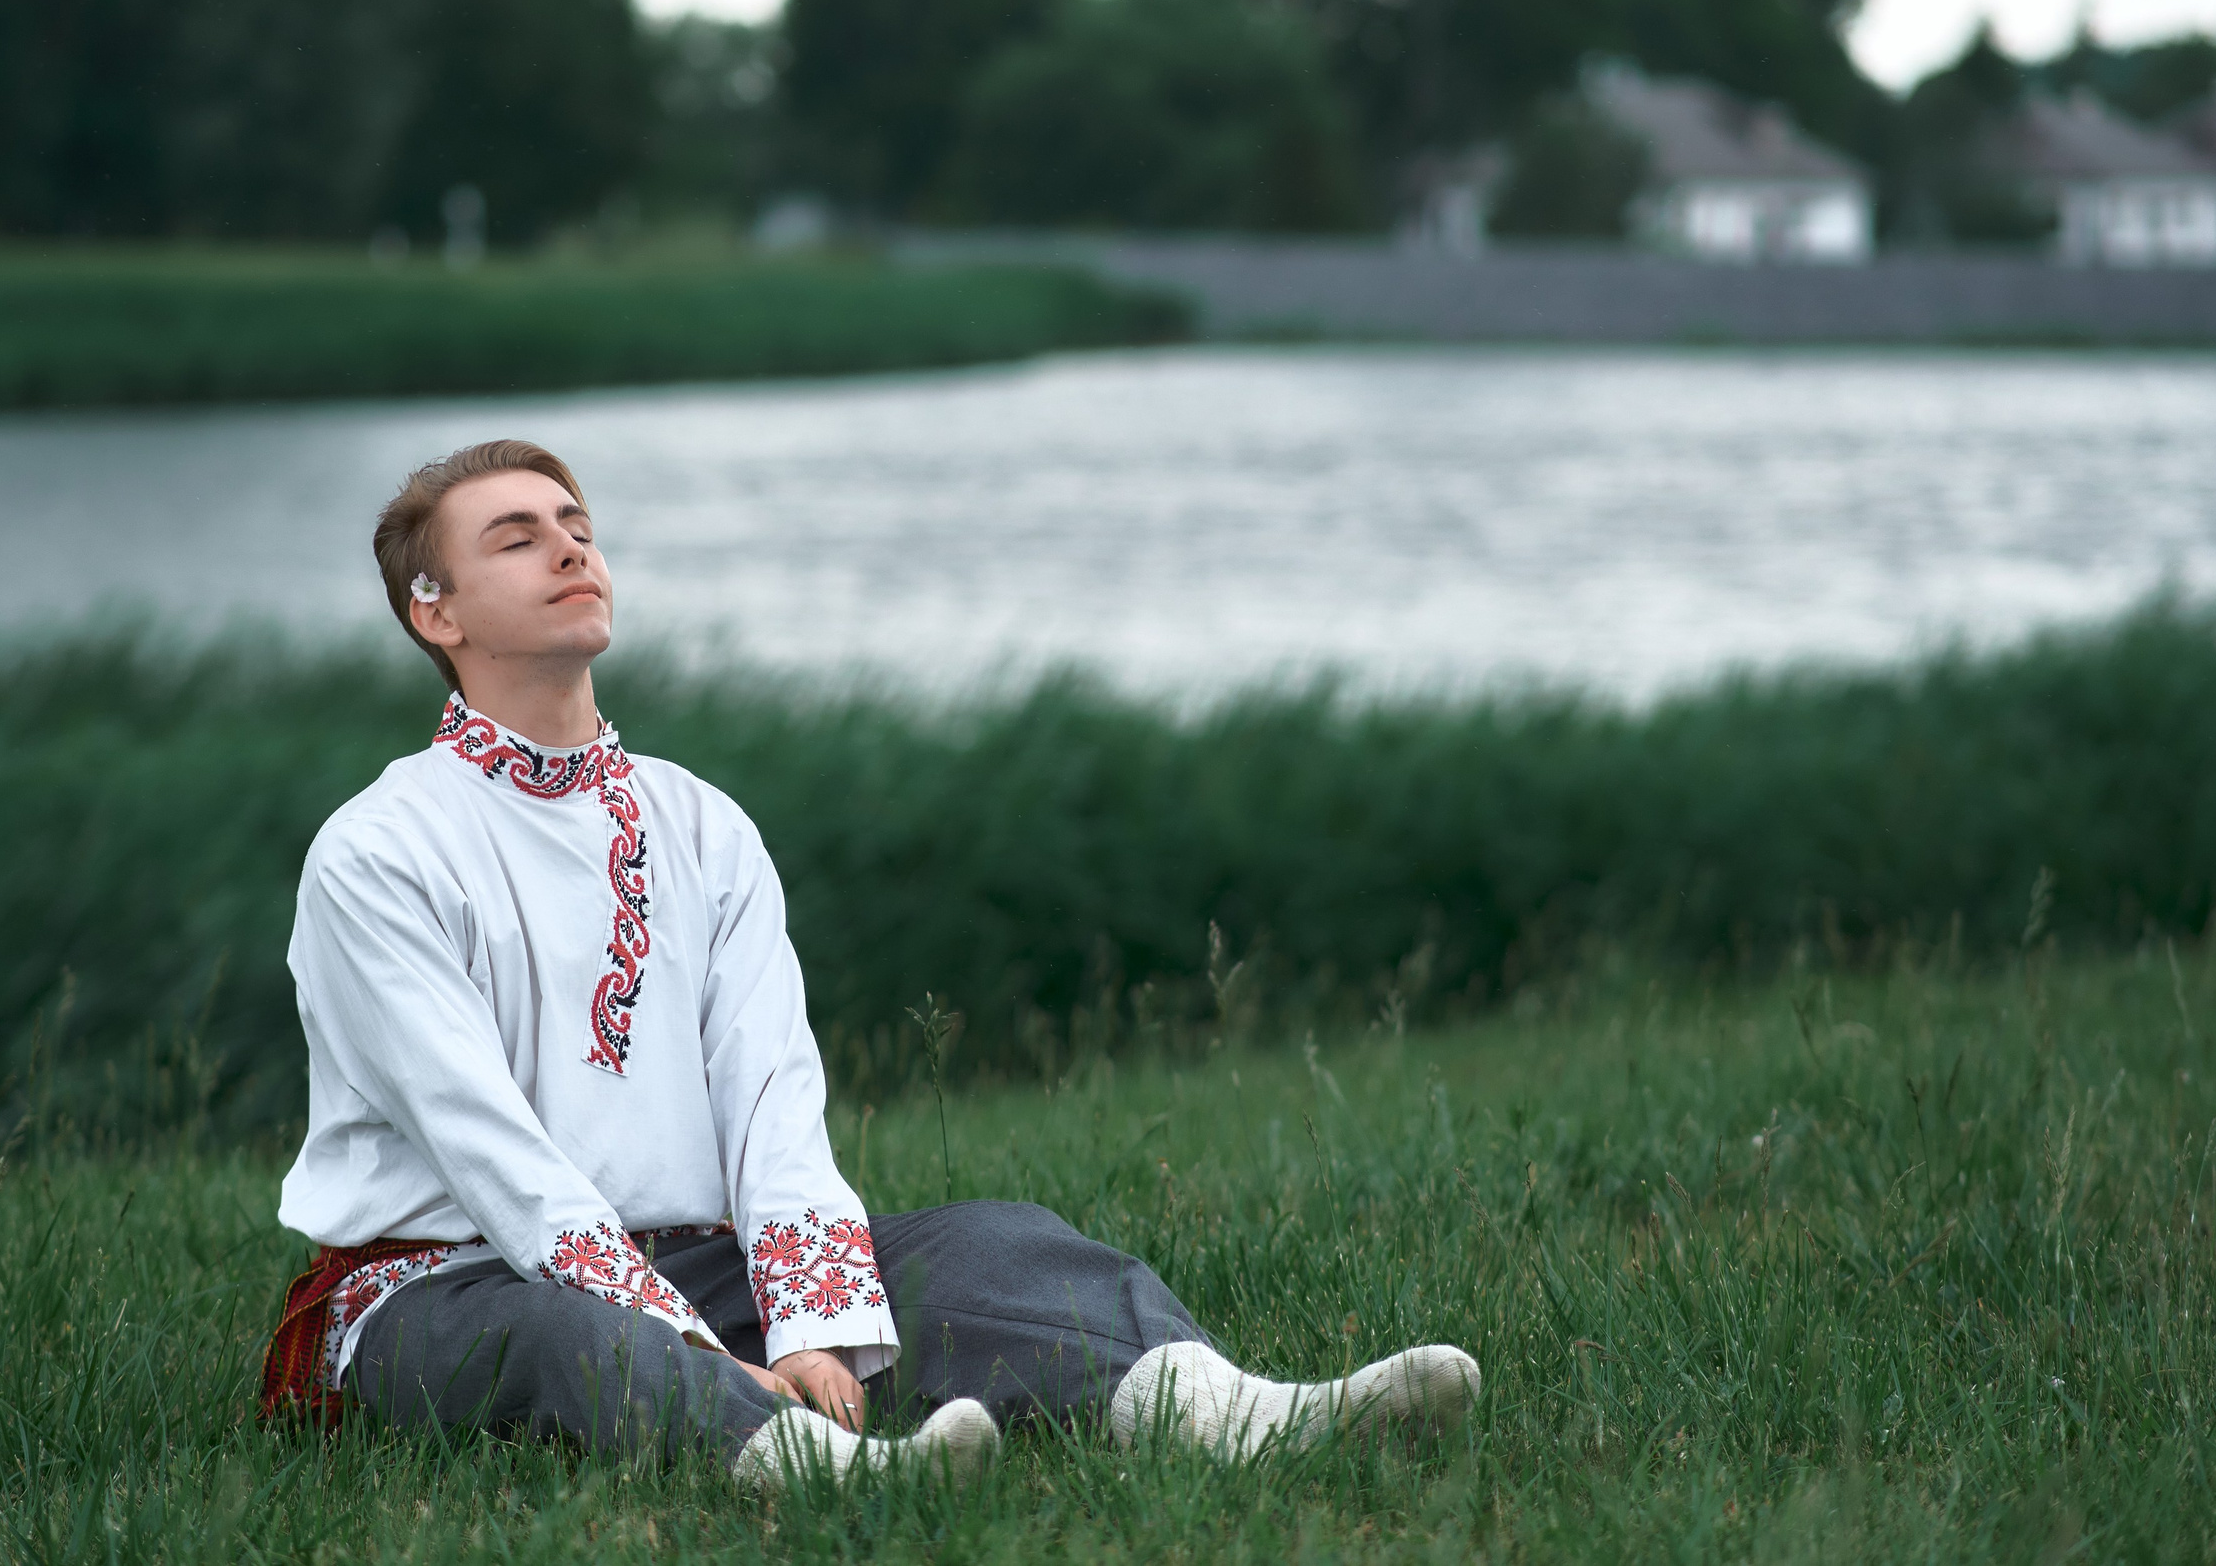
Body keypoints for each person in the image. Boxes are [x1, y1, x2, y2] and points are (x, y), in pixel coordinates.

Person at [259, 439, 1480, 1488]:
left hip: (699, 1254)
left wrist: (812, 1324)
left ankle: (1223, 1412)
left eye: (579, 527)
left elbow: (772, 1093)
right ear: (438, 611)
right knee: (567, 1340)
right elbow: (489, 1150)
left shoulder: (699, 823)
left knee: (1001, 1239)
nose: (572, 551)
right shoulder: (380, 849)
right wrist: (689, 1341)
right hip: (448, 1292)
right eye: (518, 538)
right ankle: (827, 1474)